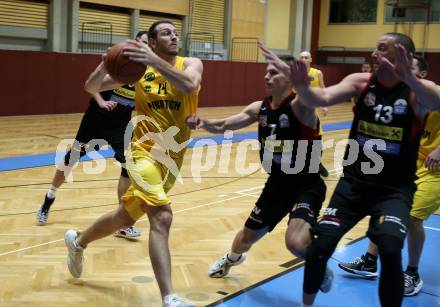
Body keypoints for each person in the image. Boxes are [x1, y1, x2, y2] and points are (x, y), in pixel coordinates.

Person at [261, 32, 440, 307]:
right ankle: (306, 305)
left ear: (401, 53)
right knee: (319, 247)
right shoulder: (361, 82)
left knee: (391, 249)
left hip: (393, 190)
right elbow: (321, 97)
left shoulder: (417, 90)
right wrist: (302, 87)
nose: (373, 54)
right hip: (354, 184)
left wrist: (410, 78)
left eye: (381, 48)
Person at [63, 20, 203, 307]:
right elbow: (91, 86)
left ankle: (78, 242)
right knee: (162, 217)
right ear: (151, 42)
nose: (174, 35)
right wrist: (105, 64)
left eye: (175, 32)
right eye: (166, 32)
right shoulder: (139, 72)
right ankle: (170, 298)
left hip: (173, 157)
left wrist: (151, 59)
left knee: (125, 218)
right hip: (143, 152)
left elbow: (189, 84)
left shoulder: (191, 62)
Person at [186, 55, 332, 291]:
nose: (266, 76)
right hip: (277, 185)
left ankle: (320, 265)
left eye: (273, 72)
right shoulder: (259, 108)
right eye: (266, 72)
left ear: (289, 78)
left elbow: (309, 96)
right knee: (245, 238)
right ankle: (232, 259)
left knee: (295, 243)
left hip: (307, 185)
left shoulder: (301, 107)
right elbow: (224, 125)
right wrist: (202, 122)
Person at [338, 55, 440, 297]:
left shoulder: (434, 93)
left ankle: (412, 272)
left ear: (422, 75)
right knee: (385, 208)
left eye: (407, 68)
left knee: (413, 217)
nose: (399, 71)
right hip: (410, 164)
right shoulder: (399, 97)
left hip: (436, 169)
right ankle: (370, 261)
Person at [35, 32, 149, 239]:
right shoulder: (121, 64)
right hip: (96, 121)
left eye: (149, 44)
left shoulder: (148, 73)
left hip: (121, 125)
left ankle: (122, 221)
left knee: (128, 168)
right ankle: (49, 197)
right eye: (142, 43)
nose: (145, 47)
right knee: (71, 159)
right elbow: (91, 86)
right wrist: (101, 101)